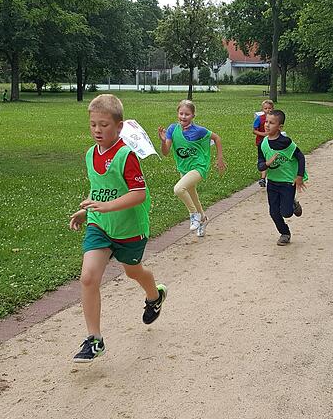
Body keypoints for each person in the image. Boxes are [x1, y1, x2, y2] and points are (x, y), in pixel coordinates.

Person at [68, 94, 167, 363]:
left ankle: (155, 295)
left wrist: (107, 206)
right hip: (100, 226)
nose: (97, 131)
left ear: (119, 126)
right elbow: (98, 190)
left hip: (129, 229)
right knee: (88, 277)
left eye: (104, 125)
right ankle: (94, 339)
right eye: (93, 125)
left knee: (133, 272)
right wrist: (86, 211)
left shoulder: (126, 155)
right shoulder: (90, 154)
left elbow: (139, 194)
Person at [158, 100, 227, 237]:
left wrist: (219, 159)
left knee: (178, 189)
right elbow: (165, 152)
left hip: (199, 167)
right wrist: (163, 140)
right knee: (193, 196)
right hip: (184, 168)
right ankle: (202, 219)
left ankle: (193, 214)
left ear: (193, 116)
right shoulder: (172, 129)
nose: (183, 117)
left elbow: (217, 138)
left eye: (187, 114)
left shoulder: (199, 131)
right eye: (181, 113)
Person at [258, 109, 307, 246]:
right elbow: (260, 165)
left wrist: (299, 176)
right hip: (272, 183)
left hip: (287, 182)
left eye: (271, 123)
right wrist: (268, 163)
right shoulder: (262, 144)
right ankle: (284, 233)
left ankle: (292, 203)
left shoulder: (286, 142)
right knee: (273, 212)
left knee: (286, 213)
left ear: (280, 127)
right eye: (266, 122)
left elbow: (300, 157)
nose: (267, 125)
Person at [253, 100, 275, 187]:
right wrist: (263, 134)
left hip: (272, 141)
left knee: (271, 158)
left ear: (273, 109)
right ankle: (263, 178)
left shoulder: (275, 119)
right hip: (261, 142)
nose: (268, 110)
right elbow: (254, 130)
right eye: (265, 108)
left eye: (269, 108)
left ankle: (271, 176)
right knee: (263, 158)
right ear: (262, 109)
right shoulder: (260, 118)